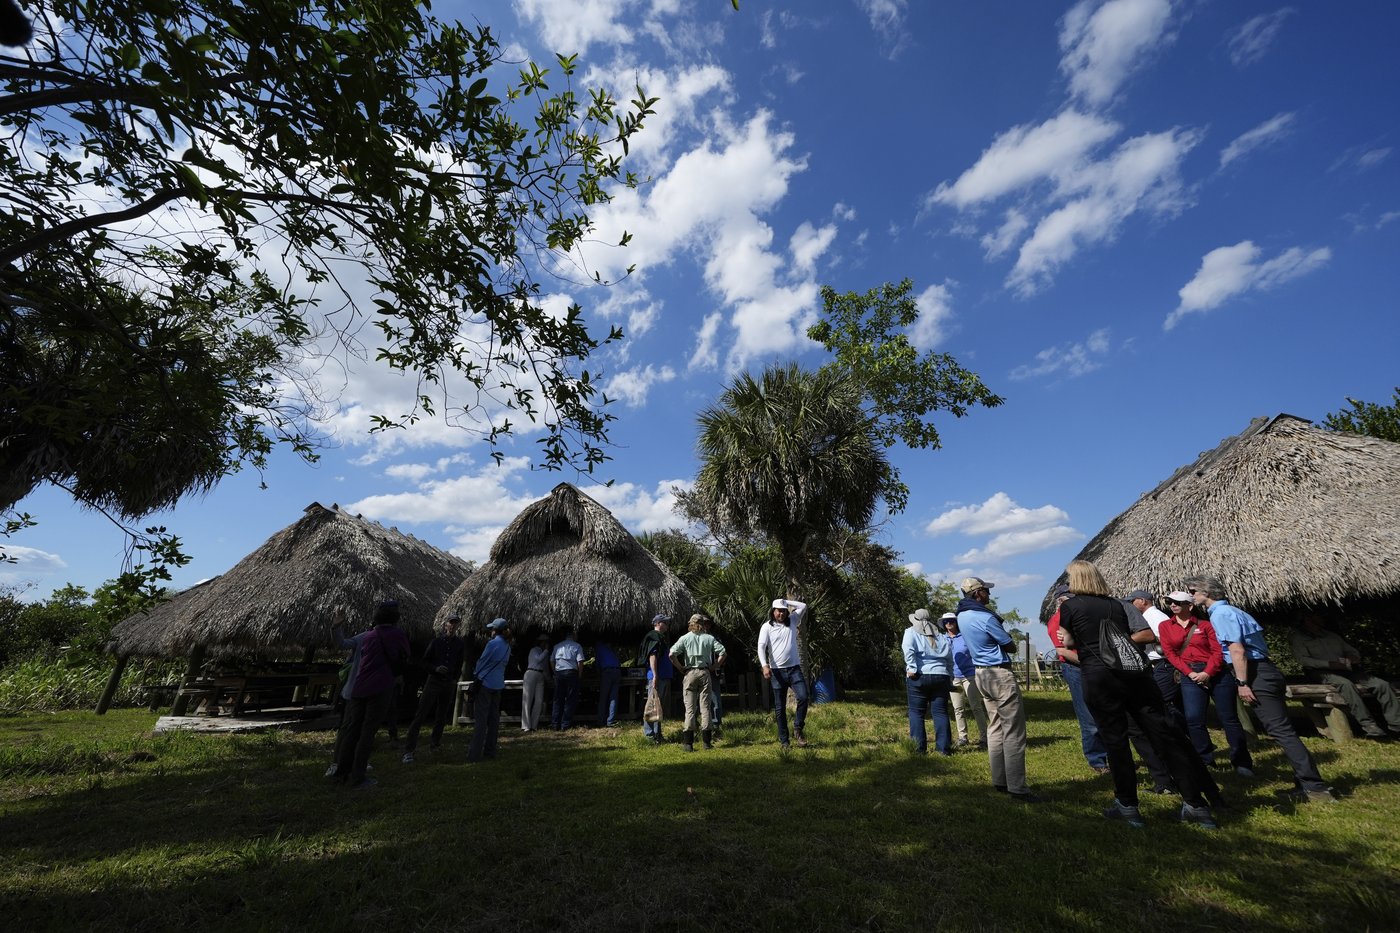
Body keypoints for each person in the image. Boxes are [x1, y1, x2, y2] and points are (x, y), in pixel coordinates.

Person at [1058, 562, 1220, 829]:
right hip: (1135, 675)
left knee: (1116, 741)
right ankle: (1195, 803)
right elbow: (1125, 635)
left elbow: (1069, 641)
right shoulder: (1119, 605)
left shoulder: (1071, 607)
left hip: (1100, 677)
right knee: (1162, 734)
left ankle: (1128, 806)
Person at [1186, 575, 1336, 802]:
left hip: (1256, 673)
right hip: (1265, 670)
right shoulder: (1234, 611)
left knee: (1281, 731)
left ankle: (1314, 787)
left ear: (1206, 592)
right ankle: (1305, 782)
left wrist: (1242, 682)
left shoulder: (1222, 614)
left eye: (1192, 591)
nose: (1190, 595)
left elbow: (1237, 651)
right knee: (1283, 729)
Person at [956, 577, 1038, 802]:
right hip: (999, 674)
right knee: (1013, 730)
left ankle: (1000, 780)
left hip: (981, 674)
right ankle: (1018, 788)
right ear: (977, 593)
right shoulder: (985, 617)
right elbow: (1009, 645)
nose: (989, 595)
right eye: (986, 591)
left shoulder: (961, 615)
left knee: (994, 727)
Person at [335, 599, 411, 788]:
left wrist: (336, 626)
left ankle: (342, 771)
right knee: (368, 733)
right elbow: (405, 656)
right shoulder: (397, 634)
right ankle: (358, 777)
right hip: (380, 687)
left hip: (359, 688)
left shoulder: (368, 636)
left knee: (352, 730)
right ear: (395, 618)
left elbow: (344, 644)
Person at [1291, 612, 1400, 739]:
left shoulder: (1332, 636)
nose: (1322, 618)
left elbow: (1351, 650)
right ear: (1307, 619)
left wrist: (1352, 657)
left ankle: (1396, 724)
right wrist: (1328, 664)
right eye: (1318, 616)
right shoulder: (1298, 638)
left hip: (1347, 669)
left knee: (1382, 684)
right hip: (1320, 672)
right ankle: (1368, 725)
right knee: (1345, 684)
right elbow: (1303, 660)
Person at [1157, 591, 1227, 768]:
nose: (1173, 605)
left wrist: (1208, 672)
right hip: (1188, 671)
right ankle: (1205, 760)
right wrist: (1189, 673)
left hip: (1211, 669)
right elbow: (1170, 653)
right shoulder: (1165, 626)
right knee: (1194, 718)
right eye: (1170, 602)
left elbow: (1217, 651)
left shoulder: (1205, 625)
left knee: (1229, 718)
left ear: (1190, 605)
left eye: (1177, 602)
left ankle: (1242, 762)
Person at [1046, 584, 1109, 774]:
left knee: (1103, 711)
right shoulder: (1057, 621)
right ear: (1061, 601)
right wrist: (1093, 661)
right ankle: (1097, 760)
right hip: (1076, 668)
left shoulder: (1077, 616)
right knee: (1088, 715)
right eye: (1070, 599)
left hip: (1093, 666)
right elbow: (1063, 650)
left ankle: (1110, 755)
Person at [401, 613, 465, 763]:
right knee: (421, 714)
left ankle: (435, 743)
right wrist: (435, 669)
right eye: (451, 623)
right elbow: (424, 662)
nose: (453, 625)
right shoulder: (436, 642)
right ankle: (409, 749)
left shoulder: (459, 644)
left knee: (441, 715)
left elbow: (459, 663)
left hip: (448, 681)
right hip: (434, 680)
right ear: (445, 625)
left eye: (456, 623)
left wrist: (454, 678)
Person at [669, 613, 726, 751]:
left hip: (689, 673)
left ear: (690, 624)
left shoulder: (685, 638)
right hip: (705, 672)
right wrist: (714, 666)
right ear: (702, 623)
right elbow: (723, 652)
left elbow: (671, 654)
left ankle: (688, 743)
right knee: (705, 707)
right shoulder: (709, 638)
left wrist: (680, 667)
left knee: (690, 708)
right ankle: (706, 742)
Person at [758, 597, 809, 748]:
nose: (781, 614)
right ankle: (784, 741)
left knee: (804, 697)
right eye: (778, 611)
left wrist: (786, 602)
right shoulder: (766, 627)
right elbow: (761, 647)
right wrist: (764, 665)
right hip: (776, 672)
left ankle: (798, 728)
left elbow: (803, 606)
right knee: (780, 708)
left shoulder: (792, 621)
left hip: (794, 669)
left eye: (783, 611)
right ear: (773, 612)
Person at [903, 608, 954, 755]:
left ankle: (919, 749)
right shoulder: (940, 636)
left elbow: (908, 649)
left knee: (916, 712)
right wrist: (949, 675)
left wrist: (911, 668)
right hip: (941, 676)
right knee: (940, 712)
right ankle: (943, 750)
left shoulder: (911, 632)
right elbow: (949, 658)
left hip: (919, 675)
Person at [466, 618, 512, 763]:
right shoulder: (508, 646)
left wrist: (476, 674)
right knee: (494, 720)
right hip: (498, 684)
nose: (490, 632)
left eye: (492, 629)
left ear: (495, 631)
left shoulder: (492, 644)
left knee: (481, 720)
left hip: (486, 683)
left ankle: (474, 754)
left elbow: (482, 661)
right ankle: (490, 751)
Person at [943, 612, 988, 748]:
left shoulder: (965, 636)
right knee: (958, 709)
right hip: (953, 678)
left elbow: (975, 652)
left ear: (956, 622)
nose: (949, 623)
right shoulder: (942, 639)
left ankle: (984, 737)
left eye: (951, 620)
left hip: (969, 676)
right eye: (946, 621)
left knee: (976, 707)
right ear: (943, 624)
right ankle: (963, 737)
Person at [640, 614, 673, 744]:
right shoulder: (654, 636)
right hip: (657, 677)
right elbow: (652, 657)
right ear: (658, 623)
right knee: (652, 706)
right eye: (665, 623)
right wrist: (655, 675)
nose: (667, 626)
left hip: (663, 676)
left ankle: (657, 734)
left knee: (659, 707)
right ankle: (650, 735)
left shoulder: (660, 637)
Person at [550, 628, 584, 730]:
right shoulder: (577, 646)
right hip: (571, 673)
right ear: (573, 636)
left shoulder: (557, 646)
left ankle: (555, 724)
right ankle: (565, 724)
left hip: (559, 673)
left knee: (558, 699)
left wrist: (555, 672)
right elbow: (580, 662)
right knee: (570, 699)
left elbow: (551, 660)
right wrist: (579, 675)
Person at [701, 616, 725, 735]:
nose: (705, 626)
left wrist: (715, 665)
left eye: (707, 624)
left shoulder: (715, 638)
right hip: (699, 672)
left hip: (713, 671)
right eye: (703, 623)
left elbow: (722, 652)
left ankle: (716, 724)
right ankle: (704, 724)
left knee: (715, 698)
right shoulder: (695, 638)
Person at [521, 634, 551, 732]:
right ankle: (526, 726)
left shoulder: (545, 653)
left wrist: (549, 679)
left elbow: (545, 668)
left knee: (539, 700)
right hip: (531, 672)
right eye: (544, 642)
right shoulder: (534, 650)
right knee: (528, 699)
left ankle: (534, 725)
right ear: (541, 642)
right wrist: (546, 650)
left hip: (540, 676)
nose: (546, 644)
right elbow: (538, 659)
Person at [594, 638, 623, 727]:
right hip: (617, 672)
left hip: (607, 672)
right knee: (613, 697)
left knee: (603, 697)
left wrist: (599, 675)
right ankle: (611, 721)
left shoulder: (598, 647)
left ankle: (601, 721)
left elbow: (597, 664)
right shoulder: (611, 649)